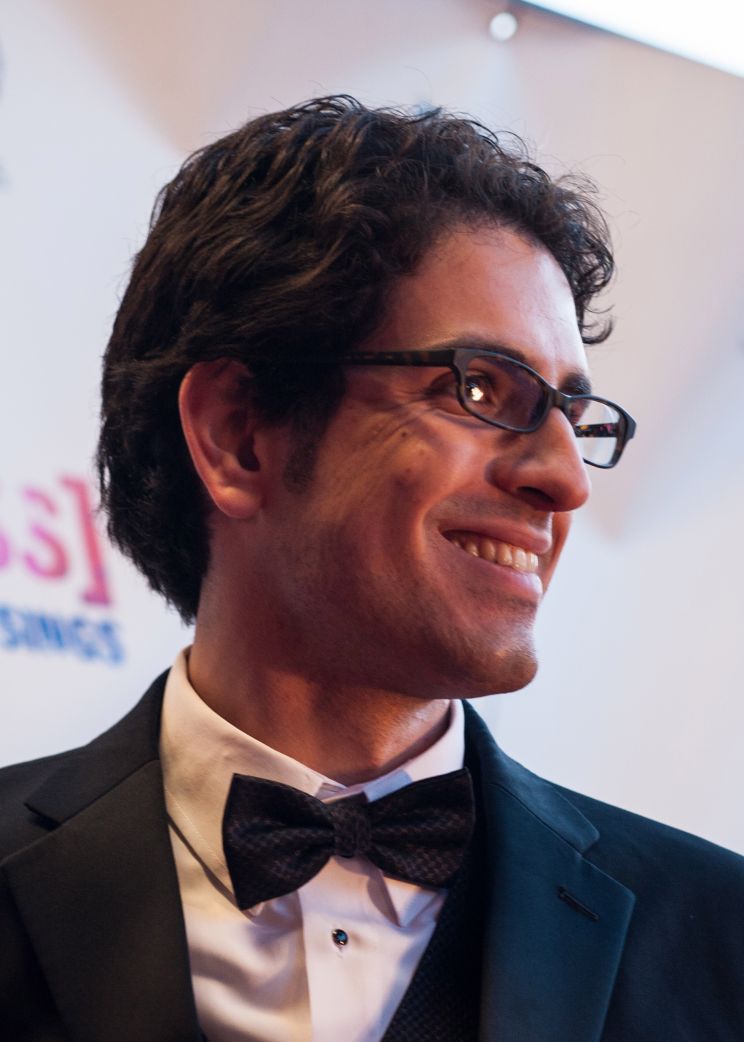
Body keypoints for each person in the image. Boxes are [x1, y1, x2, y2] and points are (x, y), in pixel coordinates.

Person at [0, 96, 741, 1042]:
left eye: (574, 418)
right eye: (481, 387)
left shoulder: (720, 943)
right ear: (237, 435)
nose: (565, 481)